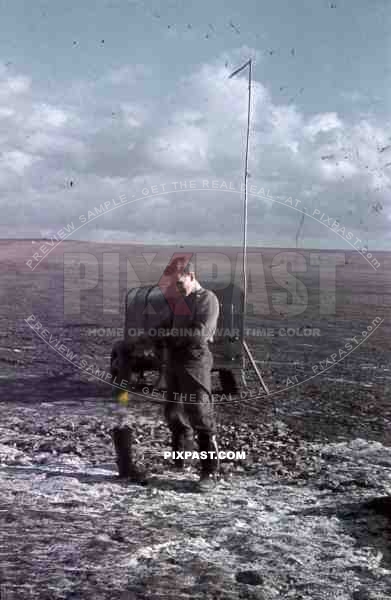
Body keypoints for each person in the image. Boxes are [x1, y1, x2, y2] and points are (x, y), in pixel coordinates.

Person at [163, 257, 220, 491]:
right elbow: (173, 325)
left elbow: (199, 332)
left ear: (192, 276)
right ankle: (180, 461)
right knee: (173, 412)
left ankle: (209, 472)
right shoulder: (181, 301)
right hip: (176, 359)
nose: (177, 288)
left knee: (198, 412)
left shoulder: (208, 299)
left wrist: (171, 338)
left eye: (179, 283)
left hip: (195, 359)